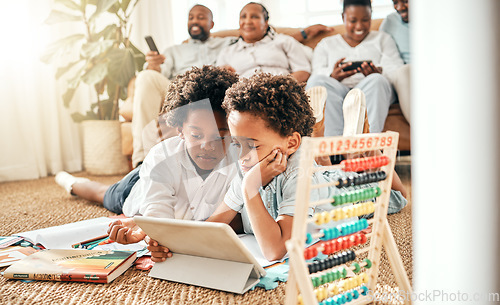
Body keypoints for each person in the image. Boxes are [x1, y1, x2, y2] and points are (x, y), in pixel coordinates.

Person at [149, 74, 407, 262]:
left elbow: (275, 250)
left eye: (252, 145)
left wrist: (251, 187)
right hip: (309, 165)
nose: (243, 156)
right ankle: (321, 147)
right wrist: (176, 244)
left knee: (395, 196)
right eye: (237, 144)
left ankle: (365, 145)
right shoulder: (247, 164)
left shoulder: (297, 176)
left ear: (290, 142)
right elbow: (216, 222)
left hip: (339, 191)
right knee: (321, 164)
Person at [56, 66, 240, 243]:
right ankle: (69, 181)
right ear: (180, 129)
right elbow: (158, 225)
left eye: (219, 137)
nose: (208, 146)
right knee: (103, 194)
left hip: (164, 170)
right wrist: (155, 236)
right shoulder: (161, 158)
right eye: (197, 135)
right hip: (139, 185)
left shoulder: (242, 161)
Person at [131, 4, 233, 168]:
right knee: (146, 76)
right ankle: (142, 161)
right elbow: (160, 75)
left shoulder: (228, 44)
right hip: (177, 90)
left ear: (212, 24)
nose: (195, 21)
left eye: (201, 17)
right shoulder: (173, 51)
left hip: (211, 90)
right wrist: (153, 66)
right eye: (191, 17)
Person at [306, 0, 404, 137]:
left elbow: (396, 70)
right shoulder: (326, 44)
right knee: (317, 82)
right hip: (338, 90)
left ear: (371, 16)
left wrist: (378, 72)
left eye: (365, 20)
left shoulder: (383, 39)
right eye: (353, 20)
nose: (359, 26)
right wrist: (332, 75)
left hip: (370, 89)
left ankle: (367, 148)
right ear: (343, 17)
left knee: (377, 80)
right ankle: (334, 151)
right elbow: (316, 73)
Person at [216, 2, 333, 82]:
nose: (248, 21)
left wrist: (278, 84)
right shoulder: (227, 51)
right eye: (243, 17)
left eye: (255, 17)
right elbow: (219, 84)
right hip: (241, 97)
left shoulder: (285, 41)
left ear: (266, 22)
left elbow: (303, 71)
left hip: (281, 91)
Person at [380, 0, 411, 124]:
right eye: (395, 2)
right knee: (402, 72)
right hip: (408, 77)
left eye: (405, 1)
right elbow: (382, 55)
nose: (400, 7)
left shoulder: (439, 16)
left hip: (435, 68)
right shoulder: (390, 22)